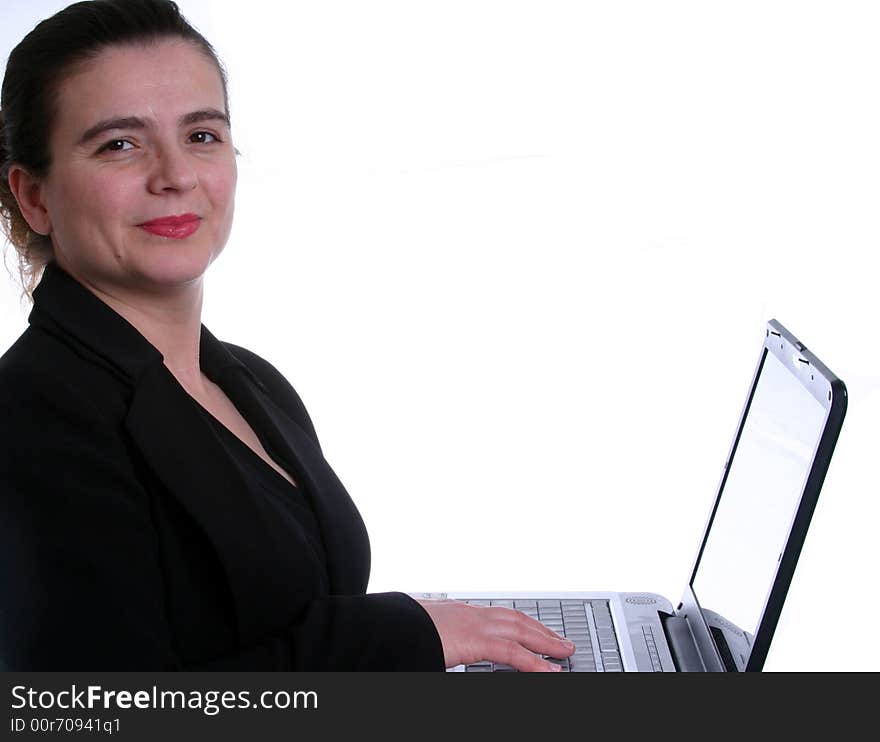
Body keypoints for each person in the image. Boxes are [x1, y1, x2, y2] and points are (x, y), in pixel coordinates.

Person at [0, 0, 575, 671]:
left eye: (202, 135)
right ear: (35, 196)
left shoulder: (248, 380)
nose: (176, 176)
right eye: (120, 144)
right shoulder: (29, 425)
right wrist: (407, 636)